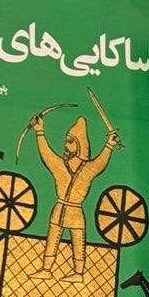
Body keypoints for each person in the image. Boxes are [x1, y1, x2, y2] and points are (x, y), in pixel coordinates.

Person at [32, 114, 118, 281]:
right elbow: (46, 153)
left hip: (76, 211)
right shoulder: (59, 164)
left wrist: (109, 144)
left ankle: (78, 273)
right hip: (59, 209)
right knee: (52, 239)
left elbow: (101, 162)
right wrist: (39, 131)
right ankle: (46, 269)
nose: (65, 145)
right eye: (66, 141)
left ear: (80, 145)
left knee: (78, 241)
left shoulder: (89, 168)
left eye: (70, 142)